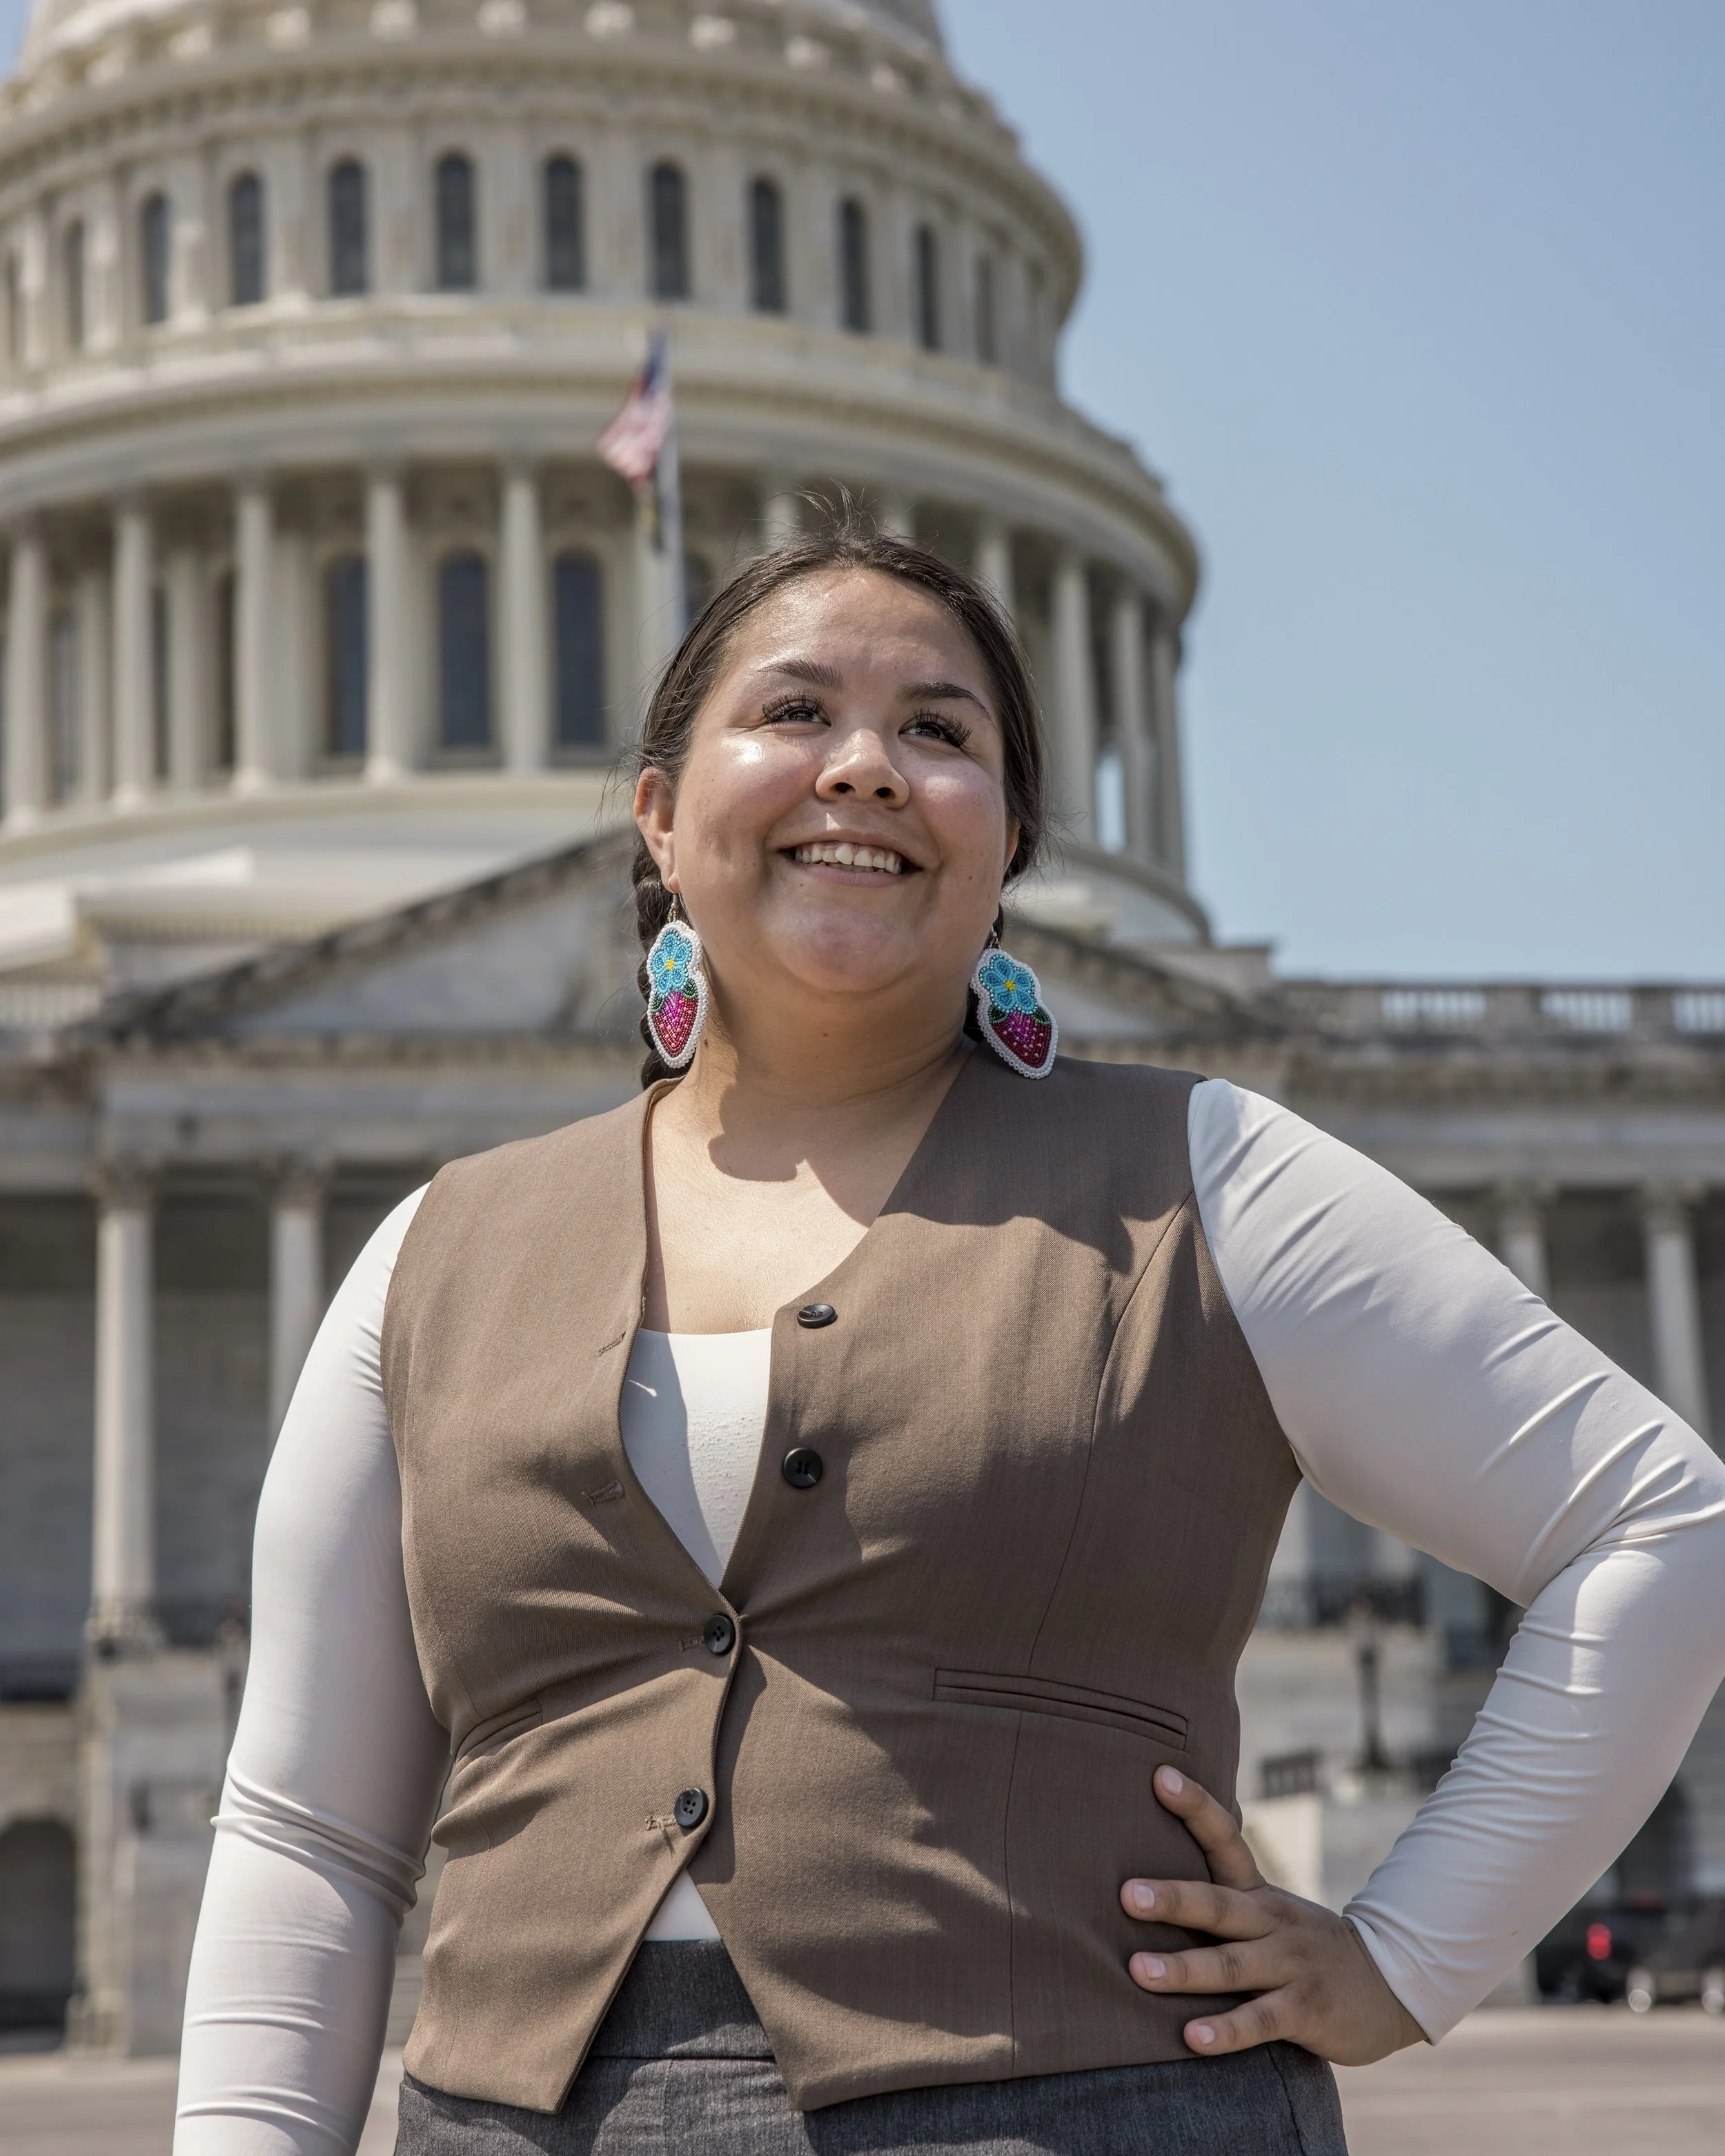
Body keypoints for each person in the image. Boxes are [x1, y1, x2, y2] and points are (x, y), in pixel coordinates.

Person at [174, 522, 1725, 2156]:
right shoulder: (437, 1248)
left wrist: (1405, 1952)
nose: (863, 768)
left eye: (939, 730)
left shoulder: (1200, 1177)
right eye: (790, 713)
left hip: (1096, 2101)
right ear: (655, 813)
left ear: (1007, 847)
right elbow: (312, 1832)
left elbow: (1660, 1518)